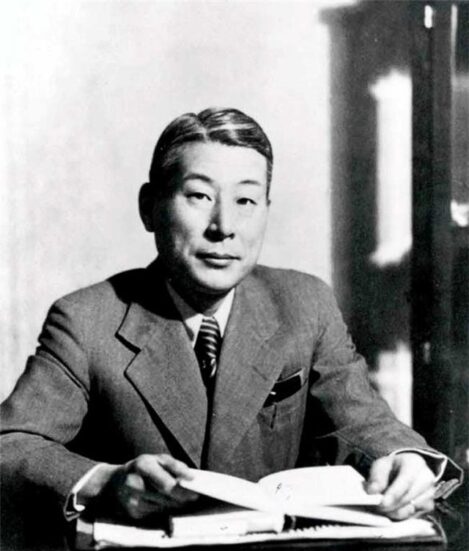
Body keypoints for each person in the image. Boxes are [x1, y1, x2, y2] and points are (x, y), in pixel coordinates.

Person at [0, 107, 462, 524]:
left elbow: (363, 423)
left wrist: (406, 462)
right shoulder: (87, 320)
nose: (224, 227)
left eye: (245, 201)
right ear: (149, 207)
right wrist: (105, 481)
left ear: (265, 211)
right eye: (199, 196)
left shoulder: (304, 303)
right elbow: (10, 444)